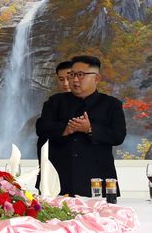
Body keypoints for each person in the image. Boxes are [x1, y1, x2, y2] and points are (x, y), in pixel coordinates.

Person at [36, 55, 126, 197]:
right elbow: (41, 128)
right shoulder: (55, 102)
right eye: (72, 75)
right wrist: (66, 129)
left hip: (97, 180)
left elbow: (118, 136)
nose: (74, 80)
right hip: (58, 180)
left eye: (80, 75)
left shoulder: (111, 104)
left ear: (96, 78)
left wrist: (90, 129)